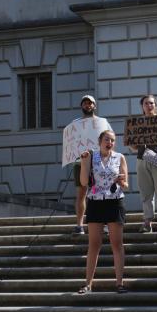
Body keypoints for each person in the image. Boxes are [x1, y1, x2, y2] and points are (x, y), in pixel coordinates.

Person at [78, 129, 128, 294]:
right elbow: (84, 182)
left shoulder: (119, 157)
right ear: (100, 141)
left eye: (113, 140)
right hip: (96, 202)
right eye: (107, 139)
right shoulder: (91, 156)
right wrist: (84, 163)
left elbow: (126, 184)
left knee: (117, 243)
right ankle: (88, 284)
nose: (110, 143)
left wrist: (120, 181)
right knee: (94, 244)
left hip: (114, 201)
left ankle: (119, 283)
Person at [130, 95, 157, 233]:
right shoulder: (137, 123)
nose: (149, 105)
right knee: (146, 193)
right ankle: (147, 222)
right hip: (142, 159)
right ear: (142, 106)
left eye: (151, 103)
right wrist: (133, 144)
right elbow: (133, 148)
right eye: (146, 103)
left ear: (155, 105)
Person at [71, 95, 111, 234]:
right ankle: (79, 225)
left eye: (90, 103)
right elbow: (71, 142)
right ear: (81, 106)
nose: (88, 105)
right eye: (85, 103)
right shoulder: (74, 123)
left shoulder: (103, 122)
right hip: (80, 162)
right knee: (81, 192)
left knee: (101, 192)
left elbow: (109, 139)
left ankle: (104, 223)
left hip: (98, 161)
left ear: (95, 106)